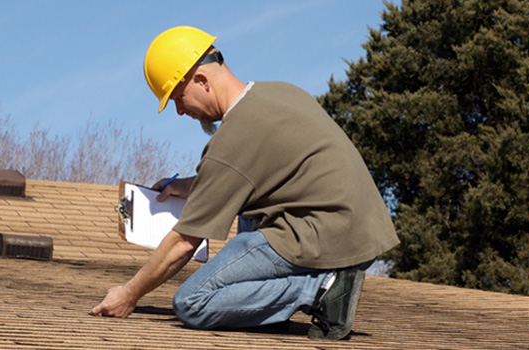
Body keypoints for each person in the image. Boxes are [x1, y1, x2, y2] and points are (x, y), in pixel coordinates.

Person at [90, 26, 399, 340]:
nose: (181, 111)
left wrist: (129, 293)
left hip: (325, 237)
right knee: (248, 210)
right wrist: (192, 185)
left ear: (200, 80)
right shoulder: (279, 93)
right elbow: (256, 171)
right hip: (360, 230)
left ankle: (321, 289)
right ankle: (269, 311)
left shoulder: (232, 139)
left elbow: (184, 242)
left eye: (178, 98)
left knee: (191, 302)